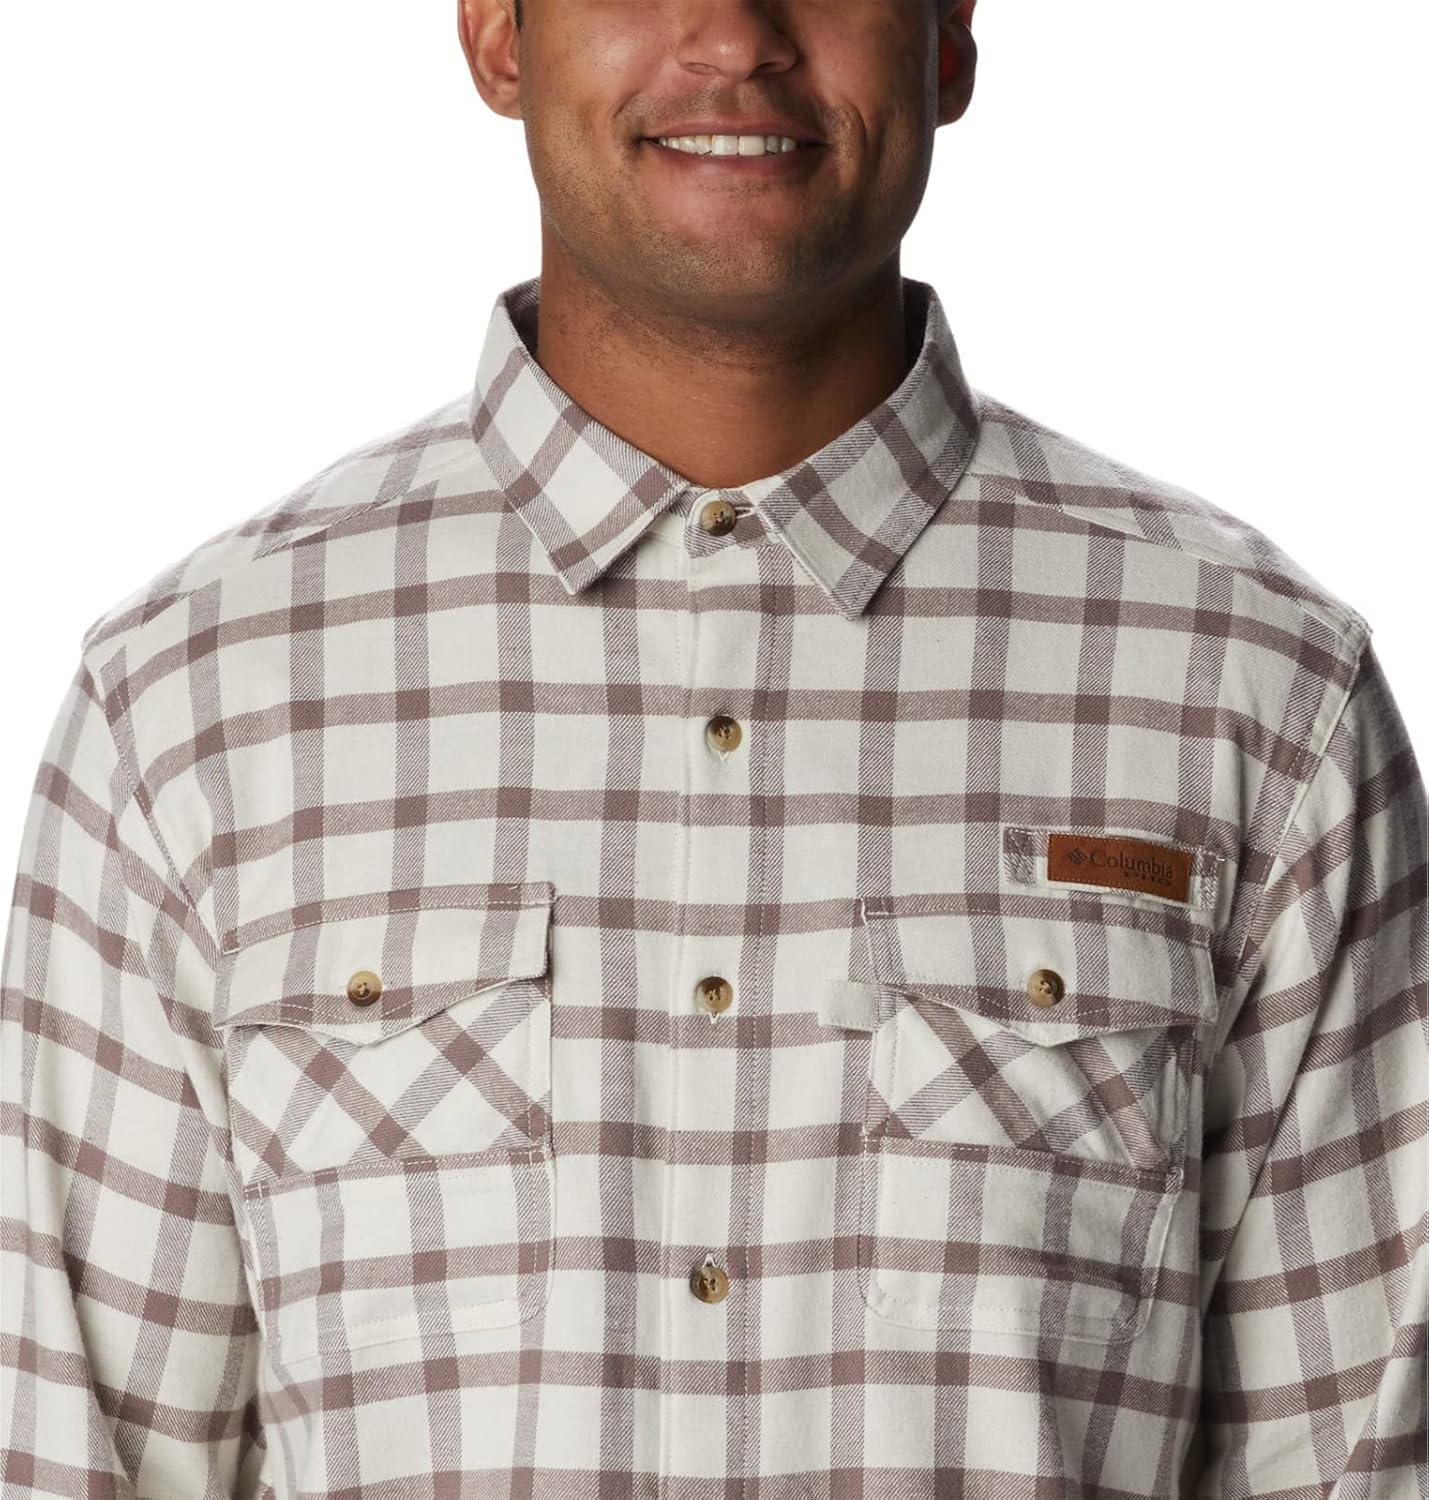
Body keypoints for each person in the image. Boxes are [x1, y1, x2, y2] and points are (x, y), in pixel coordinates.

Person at [2, 0, 1424, 1492]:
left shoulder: (1254, 692)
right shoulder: (194, 706)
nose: (735, 37)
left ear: (948, 37)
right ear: (498, 37)